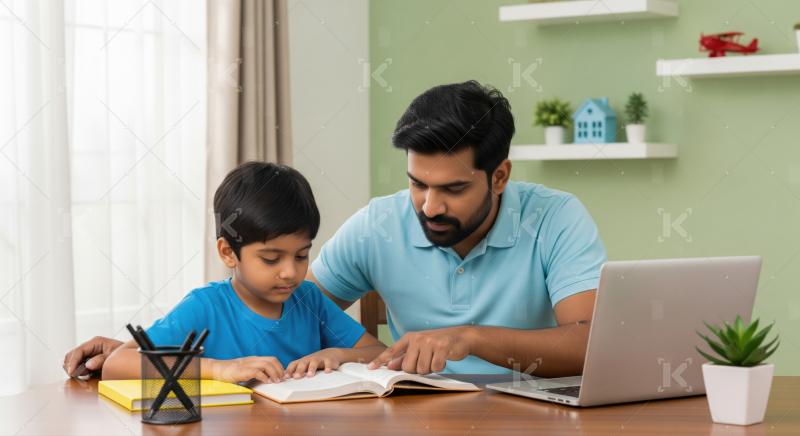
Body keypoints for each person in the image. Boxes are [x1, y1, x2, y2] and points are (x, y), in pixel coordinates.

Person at [65, 80, 605, 378]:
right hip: (414, 412)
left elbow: (589, 346)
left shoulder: (555, 218)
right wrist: (144, 355)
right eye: (418, 183)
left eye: (453, 190)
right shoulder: (378, 224)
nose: (428, 205)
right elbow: (281, 304)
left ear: (500, 176)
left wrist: (468, 339)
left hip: (534, 412)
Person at [100, 162, 385, 384]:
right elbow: (117, 363)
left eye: (301, 255)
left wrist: (337, 355)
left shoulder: (308, 300)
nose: (290, 272)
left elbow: (377, 352)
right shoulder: (205, 306)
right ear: (227, 252)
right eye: (271, 259)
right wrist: (218, 369)